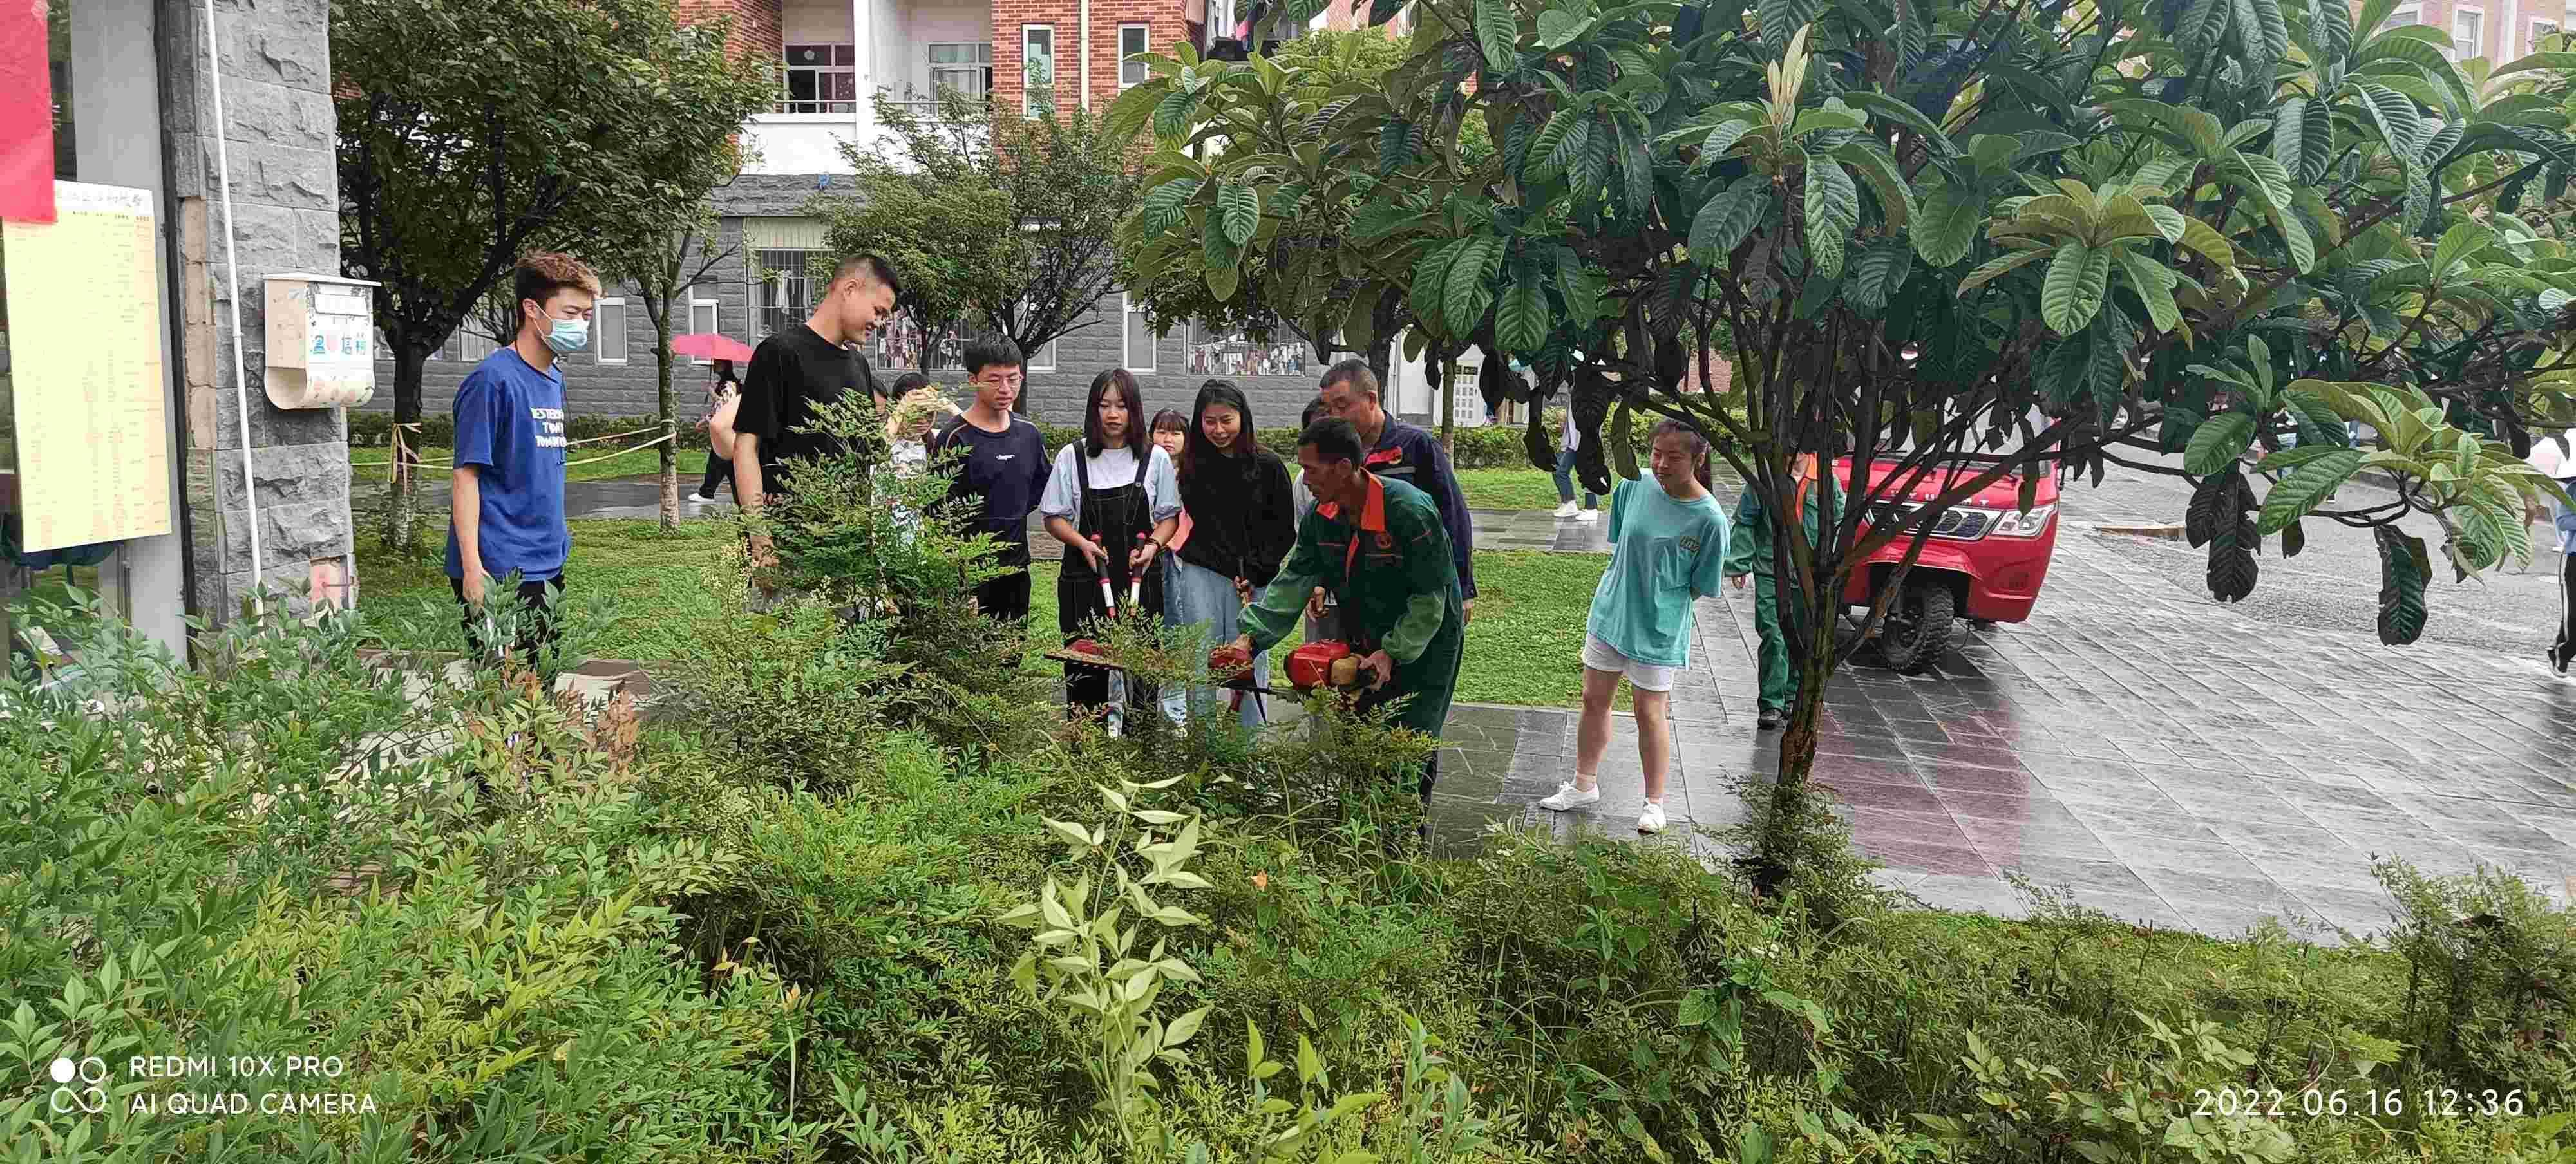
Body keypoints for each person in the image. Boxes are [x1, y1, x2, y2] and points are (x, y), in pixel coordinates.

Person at [1233, 417, 1465, 802]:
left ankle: (1403, 834)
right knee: (1362, 736)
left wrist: (1392, 652)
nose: (1304, 479)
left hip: (1427, 639)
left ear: (1343, 468)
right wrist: (1250, 639)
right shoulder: (1320, 518)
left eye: (1310, 468)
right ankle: (1366, 827)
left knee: (1408, 742)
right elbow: (1295, 580)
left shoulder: (1409, 510)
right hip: (1367, 630)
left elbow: (1430, 598)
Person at [1539, 422, 1731, 833]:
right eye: (1656, 453)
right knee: (1593, 699)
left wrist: (1659, 598)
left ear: (1698, 460)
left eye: (1673, 457)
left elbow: (1700, 585)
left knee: (1650, 712)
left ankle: (1654, 803)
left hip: (1659, 627)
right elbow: (1620, 542)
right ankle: (1583, 784)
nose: (1660, 464)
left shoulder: (1710, 520)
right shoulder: (1633, 485)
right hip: (1611, 613)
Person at [446, 250, 598, 665]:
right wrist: (473, 570)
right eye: (571, 312)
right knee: (503, 697)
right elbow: (466, 477)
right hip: (499, 569)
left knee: (539, 695)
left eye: (587, 315)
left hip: (546, 563)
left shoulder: (553, 376)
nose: (581, 324)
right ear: (532, 310)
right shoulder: (492, 380)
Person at [733, 254, 901, 573]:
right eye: (878, 311)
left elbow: (861, 456)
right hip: (788, 547)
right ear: (850, 288)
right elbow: (746, 447)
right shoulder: (780, 353)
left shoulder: (859, 365)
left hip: (846, 550)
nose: (879, 323)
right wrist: (761, 541)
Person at [1041, 369, 1181, 719]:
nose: (1113, 415)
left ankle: (1142, 747)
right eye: (1104, 406)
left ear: (1135, 410)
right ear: (1093, 410)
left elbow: (1169, 518)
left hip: (1138, 579)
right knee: (1085, 671)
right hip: (1085, 579)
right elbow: (1053, 517)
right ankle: (1086, 748)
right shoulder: (1071, 457)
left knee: (1143, 675)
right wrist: (1080, 542)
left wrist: (1153, 545)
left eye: (1122, 405)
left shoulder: (1154, 459)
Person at [1170, 380, 1296, 727]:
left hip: (1254, 580)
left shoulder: (1268, 465)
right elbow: (1204, 524)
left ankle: (1250, 746)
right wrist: (1229, 565)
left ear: (1243, 417)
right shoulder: (1194, 466)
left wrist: (1256, 569)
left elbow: (1284, 529)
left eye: (1227, 420)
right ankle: (1202, 741)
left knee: (1251, 661)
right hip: (1204, 571)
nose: (1219, 430)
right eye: (1210, 421)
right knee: (1202, 656)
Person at [1316, 359, 1477, 618]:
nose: (1334, 417)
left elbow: (1453, 515)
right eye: (1329, 409)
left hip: (1415, 588)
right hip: (1358, 594)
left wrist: (1463, 587)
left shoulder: (1416, 446)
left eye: (1342, 406)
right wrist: (1322, 579)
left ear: (1371, 398)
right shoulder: (1336, 457)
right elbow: (1329, 523)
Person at [930, 337, 1050, 621]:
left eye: (1013, 379)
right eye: (994, 380)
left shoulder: (1029, 434)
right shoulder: (954, 438)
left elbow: (1040, 487)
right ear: (973, 380)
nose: (1006, 389)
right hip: (971, 575)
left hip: (1017, 571)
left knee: (1012, 656)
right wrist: (960, 584)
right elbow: (938, 513)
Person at [1724, 453, 1833, 729]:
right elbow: (1746, 520)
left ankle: (1790, 697)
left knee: (1802, 635)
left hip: (1810, 574)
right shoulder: (1766, 478)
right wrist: (1739, 564)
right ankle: (1771, 703)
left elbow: (1838, 522)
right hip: (1770, 569)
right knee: (1774, 634)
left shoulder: (1825, 482)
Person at [2530, 430, 2576, 674]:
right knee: (2574, 616)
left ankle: (2561, 647)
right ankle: (2562, 652)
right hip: (2574, 559)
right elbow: (2564, 523)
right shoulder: (2573, 490)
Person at [692, 358, 744, 507]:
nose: (714, 365)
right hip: (723, 431)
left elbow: (726, 406)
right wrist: (706, 420)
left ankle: (707, 492)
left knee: (721, 461)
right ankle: (709, 492)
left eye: (718, 363)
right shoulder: (723, 384)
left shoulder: (730, 385)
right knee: (725, 464)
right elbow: (717, 410)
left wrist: (712, 394)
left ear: (726, 366)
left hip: (727, 431)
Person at [1552, 406, 1601, 522]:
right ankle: (1569, 504)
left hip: (1587, 442)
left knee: (1589, 475)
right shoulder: (1575, 394)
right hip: (1572, 443)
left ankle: (1591, 508)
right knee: (1559, 471)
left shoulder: (1592, 394)